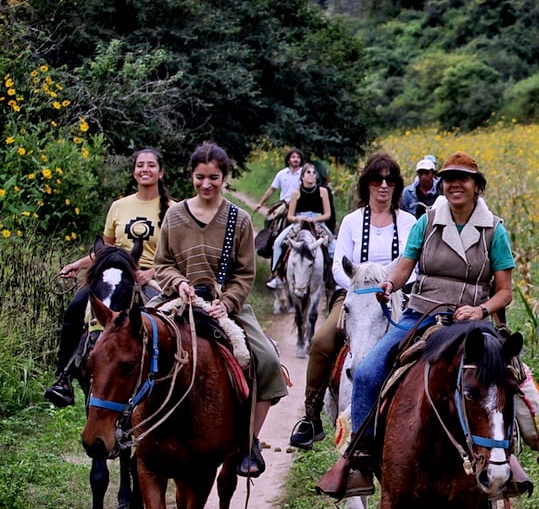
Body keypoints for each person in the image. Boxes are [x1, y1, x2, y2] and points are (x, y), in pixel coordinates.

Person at [315, 151, 515, 498]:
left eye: (462, 179)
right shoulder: (427, 220)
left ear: (476, 186)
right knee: (366, 373)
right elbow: (406, 266)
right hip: (421, 310)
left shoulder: (494, 230)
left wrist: (481, 310)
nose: (455, 185)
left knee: (510, 377)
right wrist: (389, 284)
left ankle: (507, 459)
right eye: (449, 179)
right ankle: (360, 460)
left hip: (471, 318)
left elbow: (505, 292)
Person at [152, 141, 288, 477]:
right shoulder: (174, 214)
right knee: (137, 342)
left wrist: (225, 303)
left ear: (224, 177)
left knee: (267, 359)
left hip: (224, 305)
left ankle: (249, 441)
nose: (206, 184)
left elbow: (244, 273)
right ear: (192, 177)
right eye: (200, 177)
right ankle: (132, 425)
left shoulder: (238, 220)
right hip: (177, 300)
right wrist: (177, 284)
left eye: (214, 177)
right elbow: (162, 263)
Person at [288, 151, 417, 449]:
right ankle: (311, 415)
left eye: (389, 180)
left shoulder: (410, 222)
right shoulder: (351, 221)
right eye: (376, 179)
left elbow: (414, 266)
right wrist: (361, 290)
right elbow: (337, 267)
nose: (383, 186)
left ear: (396, 185)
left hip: (398, 295)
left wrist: (392, 286)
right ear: (366, 185)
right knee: (322, 340)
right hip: (355, 296)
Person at [45, 148, 171, 408]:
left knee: (164, 317)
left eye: (150, 165)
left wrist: (151, 272)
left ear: (161, 171)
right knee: (75, 308)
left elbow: (178, 253)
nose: (144, 170)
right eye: (140, 165)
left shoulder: (173, 209)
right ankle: (64, 377)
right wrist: (78, 265)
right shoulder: (119, 206)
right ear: (134, 171)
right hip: (115, 272)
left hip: (153, 274)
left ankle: (166, 378)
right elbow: (106, 249)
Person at [266, 161, 334, 289]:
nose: (311, 175)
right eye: (308, 172)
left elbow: (327, 214)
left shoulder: (323, 191)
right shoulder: (296, 193)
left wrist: (316, 219)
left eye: (314, 172)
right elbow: (290, 216)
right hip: (299, 222)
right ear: (302, 176)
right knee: (278, 243)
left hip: (317, 222)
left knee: (333, 246)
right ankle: (278, 275)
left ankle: (334, 279)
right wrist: (299, 218)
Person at [251, 147, 303, 218]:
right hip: (284, 205)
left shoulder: (305, 174)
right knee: (270, 218)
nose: (296, 159)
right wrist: (260, 203)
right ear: (288, 160)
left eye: (298, 157)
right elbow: (272, 189)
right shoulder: (281, 174)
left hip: (300, 205)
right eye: (293, 157)